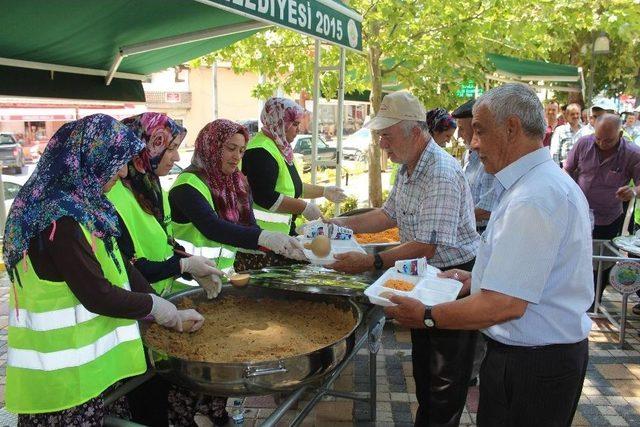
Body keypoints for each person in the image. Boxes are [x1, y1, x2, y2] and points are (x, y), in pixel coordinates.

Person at [386, 83, 593, 427]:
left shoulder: (534, 197)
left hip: (533, 365)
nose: (473, 143)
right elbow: (530, 277)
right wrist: (474, 278)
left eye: (479, 131)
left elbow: (505, 305)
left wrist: (426, 315)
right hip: (530, 359)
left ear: (511, 128)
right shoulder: (530, 186)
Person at [4, 114, 203, 425]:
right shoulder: (57, 219)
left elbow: (120, 265)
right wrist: (156, 307)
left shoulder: (88, 207)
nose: (123, 171)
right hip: (63, 384)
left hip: (95, 376)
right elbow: (97, 294)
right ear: (90, 159)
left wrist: (168, 312)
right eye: (116, 162)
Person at [329, 91, 480, 426]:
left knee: (444, 377)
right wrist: (337, 224)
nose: (383, 144)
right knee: (426, 369)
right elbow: (386, 215)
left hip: (453, 279)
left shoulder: (439, 171)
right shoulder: (409, 166)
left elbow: (425, 245)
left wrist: (369, 261)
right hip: (423, 273)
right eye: (381, 135)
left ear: (414, 132)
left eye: (387, 135)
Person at [108, 112, 223, 298]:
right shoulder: (112, 196)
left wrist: (190, 266)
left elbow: (166, 242)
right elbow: (129, 266)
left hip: (160, 299)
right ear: (146, 148)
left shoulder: (152, 186)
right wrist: (183, 265)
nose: (177, 158)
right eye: (170, 149)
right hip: (136, 306)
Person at [169, 119, 306, 274]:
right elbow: (213, 227)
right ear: (212, 146)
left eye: (241, 151)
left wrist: (282, 247)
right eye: (231, 148)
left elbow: (247, 226)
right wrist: (263, 237)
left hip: (221, 278)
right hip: (186, 284)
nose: (237, 156)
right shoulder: (187, 185)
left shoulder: (235, 182)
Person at [564, 114, 640, 309]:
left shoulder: (632, 153)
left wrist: (632, 191)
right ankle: (577, 299)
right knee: (576, 257)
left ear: (621, 134)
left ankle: (595, 301)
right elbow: (567, 170)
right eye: (598, 138)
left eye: (608, 140)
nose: (602, 143)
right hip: (578, 213)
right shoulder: (583, 144)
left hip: (608, 217)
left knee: (602, 262)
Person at [242, 97, 346, 235]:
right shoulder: (260, 151)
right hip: (261, 237)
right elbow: (265, 197)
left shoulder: (280, 147)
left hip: (281, 233)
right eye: (295, 124)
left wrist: (324, 191)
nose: (299, 130)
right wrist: (304, 207)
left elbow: (293, 187)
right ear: (281, 123)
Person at [453, 99, 498, 233]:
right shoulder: (468, 154)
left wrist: (452, 219)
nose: (459, 135)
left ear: (475, 128)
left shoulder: (490, 159)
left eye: (461, 129)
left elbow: (487, 209)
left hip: (483, 234)